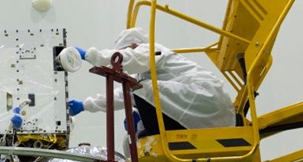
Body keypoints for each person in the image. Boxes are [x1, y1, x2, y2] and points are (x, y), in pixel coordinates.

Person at [65, 27, 235, 137]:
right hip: (203, 113)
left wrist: (88, 55)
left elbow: (126, 62)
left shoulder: (151, 49)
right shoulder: (146, 74)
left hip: (205, 98)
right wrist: (85, 105)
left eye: (124, 51)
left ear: (133, 44)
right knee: (134, 132)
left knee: (137, 90)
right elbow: (120, 95)